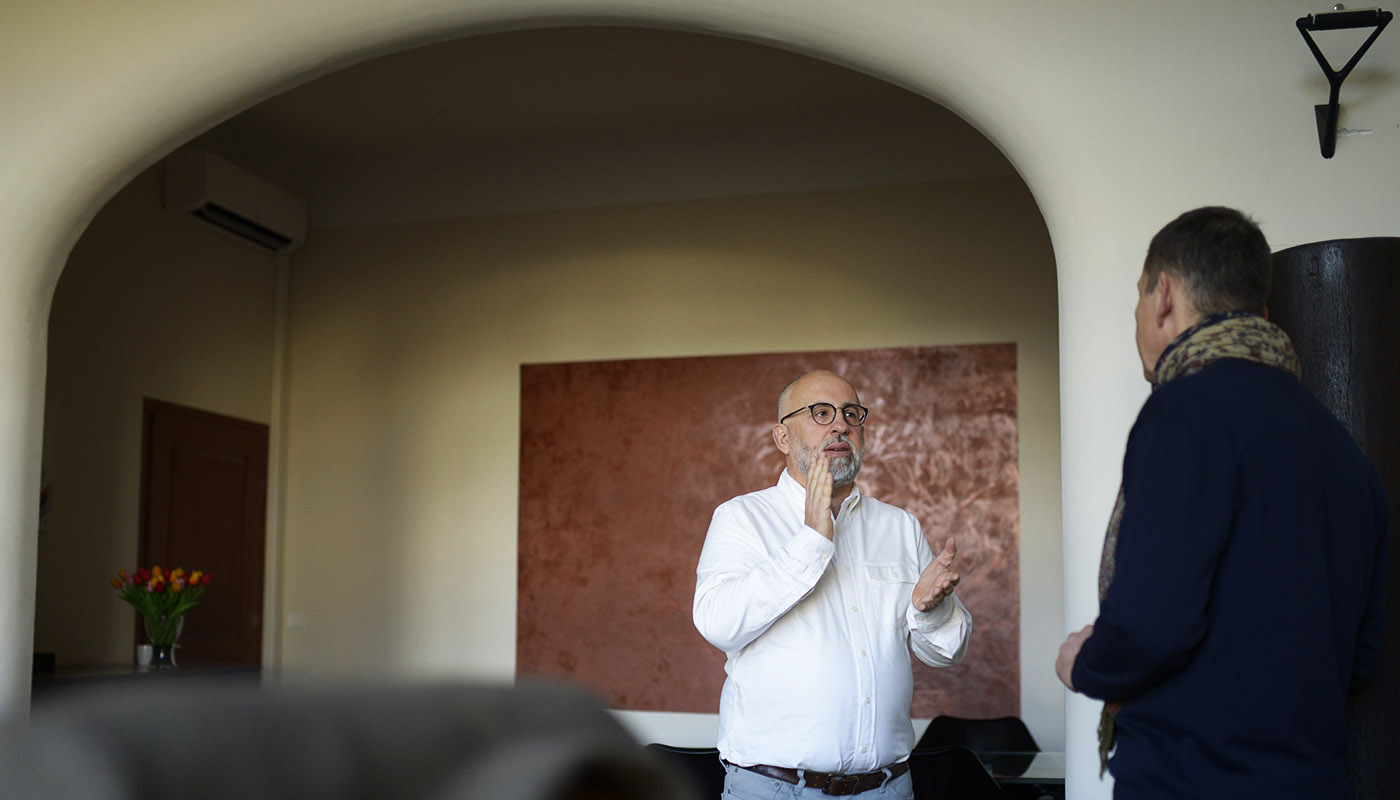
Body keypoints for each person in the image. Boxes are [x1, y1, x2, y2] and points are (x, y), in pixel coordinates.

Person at [1056, 206, 1388, 799]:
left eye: (1138, 297)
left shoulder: (1184, 413)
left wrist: (1084, 662)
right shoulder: (1342, 450)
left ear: (1163, 296)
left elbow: (1153, 624)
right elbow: (1361, 656)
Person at [693, 369, 972, 799]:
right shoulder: (741, 519)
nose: (840, 424)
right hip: (774, 789)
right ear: (783, 437)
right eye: (820, 413)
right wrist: (811, 540)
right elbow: (718, 624)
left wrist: (928, 609)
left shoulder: (899, 527)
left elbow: (946, 653)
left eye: (851, 414)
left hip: (888, 788)